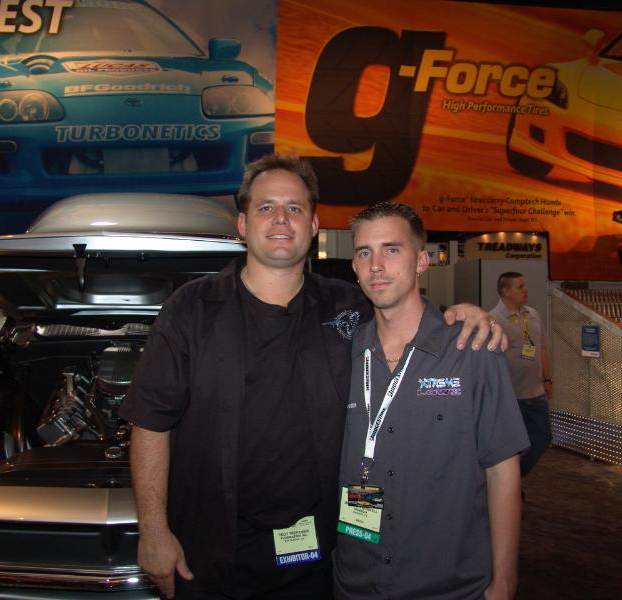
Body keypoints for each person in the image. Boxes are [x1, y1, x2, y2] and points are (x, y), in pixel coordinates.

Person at [119, 154, 503, 600]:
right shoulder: (192, 309)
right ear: (242, 224)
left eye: (295, 208)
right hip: (206, 553)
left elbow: (406, 316)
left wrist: (461, 315)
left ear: (315, 224)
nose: (281, 219)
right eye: (266, 207)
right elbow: (150, 422)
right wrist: (153, 530)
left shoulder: (348, 307)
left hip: (313, 558)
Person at [334, 202, 529, 600]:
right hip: (356, 582)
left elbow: (502, 472)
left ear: (422, 261)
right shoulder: (341, 354)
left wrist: (505, 582)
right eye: (364, 252)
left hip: (449, 586)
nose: (376, 265)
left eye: (392, 249)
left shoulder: (472, 349)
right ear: (354, 266)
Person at [490, 272, 553, 477]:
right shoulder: (494, 320)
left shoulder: (532, 315)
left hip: (536, 392)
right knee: (511, 445)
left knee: (543, 437)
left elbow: (542, 348)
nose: (526, 290)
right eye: (520, 287)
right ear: (506, 291)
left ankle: (513, 479)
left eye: (524, 286)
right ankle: (508, 484)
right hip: (511, 395)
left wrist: (547, 379)